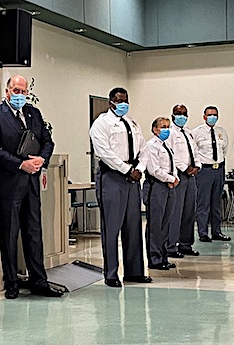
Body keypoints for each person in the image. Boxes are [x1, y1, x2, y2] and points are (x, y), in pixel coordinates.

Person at [0, 75, 63, 299]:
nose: (20, 95)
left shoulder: (33, 113)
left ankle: (39, 281)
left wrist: (41, 160)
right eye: (16, 90)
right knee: (9, 235)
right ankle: (12, 284)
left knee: (34, 232)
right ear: (7, 91)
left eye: (23, 91)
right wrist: (21, 164)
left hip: (31, 184)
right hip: (7, 185)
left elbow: (47, 141)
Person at [89, 87, 152, 288]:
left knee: (133, 226)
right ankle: (111, 273)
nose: (123, 104)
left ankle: (134, 271)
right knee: (111, 226)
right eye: (119, 100)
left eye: (126, 100)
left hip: (133, 178)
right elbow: (104, 152)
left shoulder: (132, 123)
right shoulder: (101, 123)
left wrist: (139, 168)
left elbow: (144, 149)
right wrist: (126, 170)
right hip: (112, 177)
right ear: (111, 102)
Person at [144, 117, 179, 270]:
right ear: (155, 129)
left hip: (169, 186)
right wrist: (170, 178)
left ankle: (163, 255)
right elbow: (154, 170)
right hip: (157, 186)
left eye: (168, 126)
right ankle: (154, 258)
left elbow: (172, 164)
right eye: (163, 127)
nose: (166, 129)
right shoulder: (151, 146)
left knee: (165, 224)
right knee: (155, 225)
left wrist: (174, 178)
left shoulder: (166, 145)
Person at [166, 104, 201, 257]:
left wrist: (197, 166)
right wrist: (184, 168)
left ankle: (186, 244)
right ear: (173, 115)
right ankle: (171, 246)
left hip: (191, 176)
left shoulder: (189, 133)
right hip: (178, 175)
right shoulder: (170, 133)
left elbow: (196, 152)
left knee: (189, 212)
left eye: (184, 113)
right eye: (178, 113)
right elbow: (171, 155)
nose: (182, 116)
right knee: (176, 212)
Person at [193, 106, 231, 242]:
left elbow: (224, 150)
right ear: (204, 117)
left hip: (218, 169)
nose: (212, 117)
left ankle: (217, 231)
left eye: (215, 115)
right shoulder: (197, 132)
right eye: (210, 115)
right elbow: (194, 152)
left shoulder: (221, 132)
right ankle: (203, 233)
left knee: (216, 203)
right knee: (203, 203)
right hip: (204, 170)